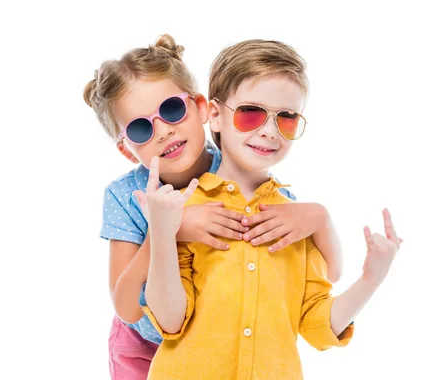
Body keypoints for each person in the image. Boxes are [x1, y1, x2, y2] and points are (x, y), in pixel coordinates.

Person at [83, 34, 345, 379]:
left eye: (172, 109)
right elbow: (128, 308)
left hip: (210, 343)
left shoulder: (240, 170)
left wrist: (321, 219)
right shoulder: (125, 195)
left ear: (203, 108)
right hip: (141, 344)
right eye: (141, 128)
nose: (163, 131)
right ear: (125, 148)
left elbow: (315, 276)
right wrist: (170, 230)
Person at [139, 39, 402, 379]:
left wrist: (371, 279)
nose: (269, 131)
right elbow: (170, 321)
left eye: (287, 118)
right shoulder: (183, 209)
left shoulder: (296, 221)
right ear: (215, 116)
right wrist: (161, 234)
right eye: (251, 113)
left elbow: (316, 323)